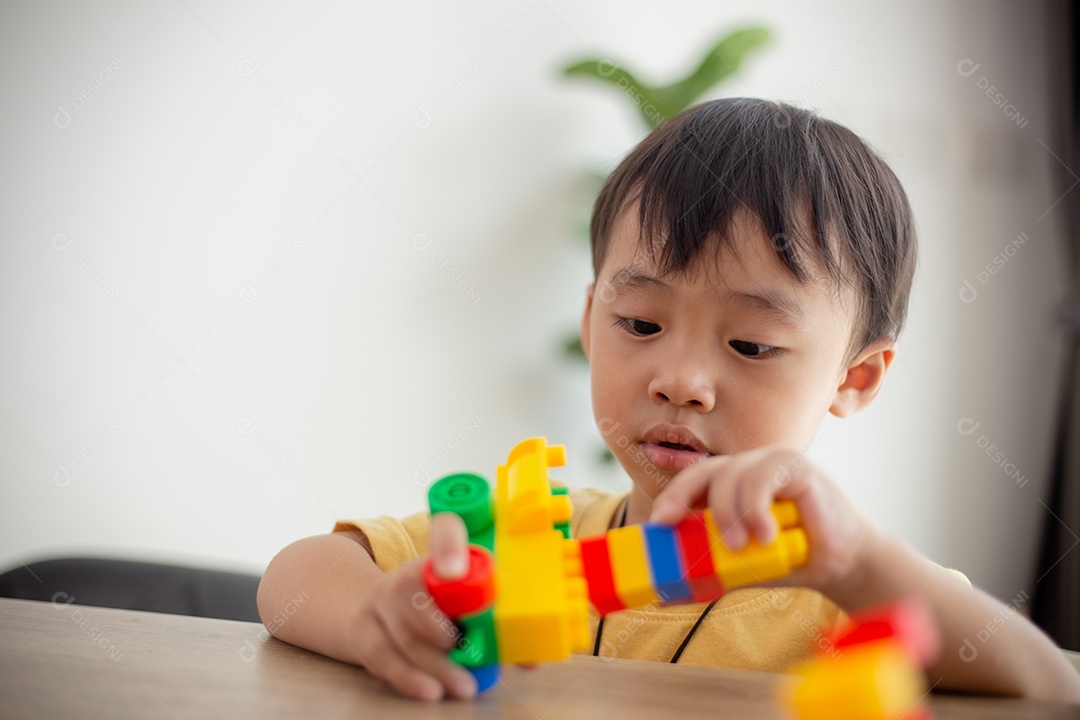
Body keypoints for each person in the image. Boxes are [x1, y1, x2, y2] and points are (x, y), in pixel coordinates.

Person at [257, 98, 1080, 702]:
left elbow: (1051, 684)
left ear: (853, 379)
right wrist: (376, 617)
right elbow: (292, 577)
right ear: (590, 321)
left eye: (751, 345)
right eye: (641, 323)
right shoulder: (531, 535)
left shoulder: (852, 588)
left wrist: (858, 564)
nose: (679, 380)